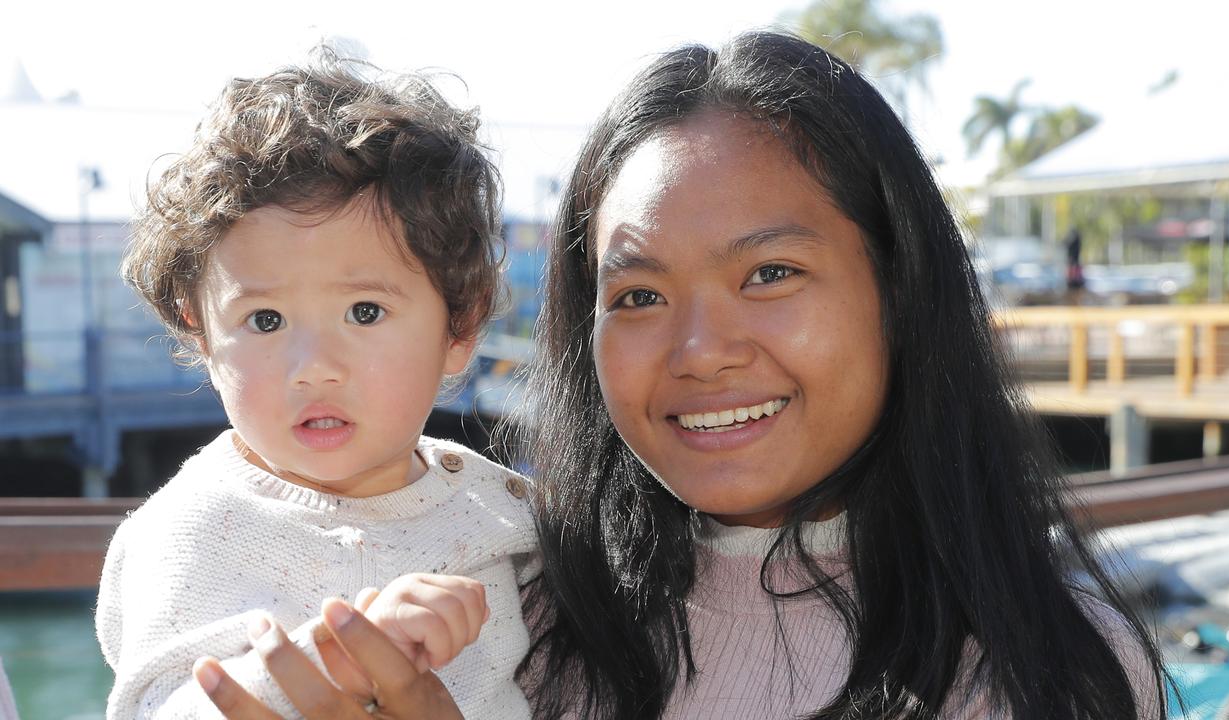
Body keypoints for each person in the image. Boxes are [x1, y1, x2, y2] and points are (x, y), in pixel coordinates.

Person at [198, 32, 1171, 720]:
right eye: (637, 296)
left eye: (770, 274)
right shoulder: (500, 618)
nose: (700, 349)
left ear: (897, 286)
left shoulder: (1048, 671)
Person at [96, 52, 536, 719]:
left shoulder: (507, 514)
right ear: (202, 333)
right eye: (264, 319)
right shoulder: (188, 533)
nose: (314, 365)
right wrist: (345, 655)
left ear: (461, 324)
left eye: (365, 312)